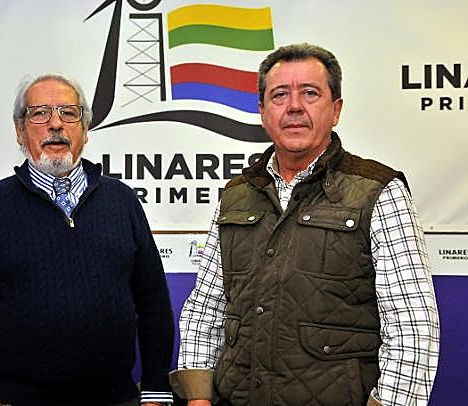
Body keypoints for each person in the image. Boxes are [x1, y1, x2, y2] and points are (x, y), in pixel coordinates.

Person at [169, 43, 439, 406]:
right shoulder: (236, 195)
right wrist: (198, 397)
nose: (294, 106)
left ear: (336, 109)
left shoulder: (379, 191)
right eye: (279, 95)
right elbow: (206, 308)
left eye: (310, 93)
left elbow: (413, 328)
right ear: (263, 112)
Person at [0, 72, 175, 406]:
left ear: (85, 129)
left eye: (68, 113)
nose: (56, 124)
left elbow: (154, 305)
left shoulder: (122, 201)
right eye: (40, 113)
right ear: (20, 130)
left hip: (114, 400)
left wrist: (156, 391)